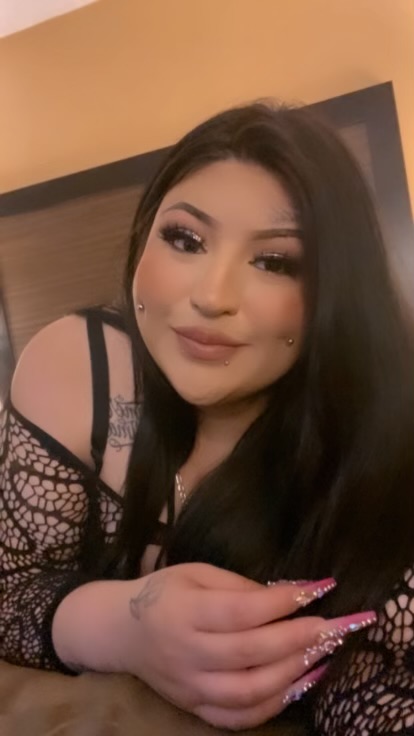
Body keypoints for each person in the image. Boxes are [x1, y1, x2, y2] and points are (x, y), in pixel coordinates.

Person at [1, 101, 414, 735]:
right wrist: (128, 627)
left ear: (336, 290)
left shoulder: (379, 442)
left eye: (275, 262)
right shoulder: (78, 365)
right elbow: (12, 590)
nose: (212, 296)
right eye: (186, 239)